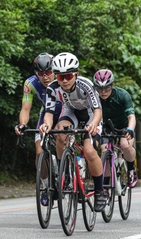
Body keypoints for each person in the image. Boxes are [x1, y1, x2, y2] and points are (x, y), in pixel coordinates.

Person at [39, 52, 106, 212]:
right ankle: (66, 171)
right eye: (60, 77)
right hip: (70, 111)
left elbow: (98, 111)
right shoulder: (52, 88)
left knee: (89, 151)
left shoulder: (86, 85)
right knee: (59, 133)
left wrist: (94, 124)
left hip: (90, 113)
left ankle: (99, 191)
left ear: (76, 74)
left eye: (68, 76)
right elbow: (48, 112)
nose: (65, 80)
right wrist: (46, 125)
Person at [15, 53, 62, 165]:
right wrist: (22, 124)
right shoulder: (30, 83)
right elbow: (25, 109)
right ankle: (45, 181)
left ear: (54, 71)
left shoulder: (63, 80)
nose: (45, 77)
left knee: (60, 136)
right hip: (46, 114)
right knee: (39, 152)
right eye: (41, 74)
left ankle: (67, 172)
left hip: (65, 113)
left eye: (49, 72)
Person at [94, 69, 138, 188]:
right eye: (99, 88)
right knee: (104, 150)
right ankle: (106, 184)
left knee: (125, 145)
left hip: (123, 125)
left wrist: (130, 129)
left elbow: (131, 116)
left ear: (112, 85)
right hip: (105, 126)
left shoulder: (122, 95)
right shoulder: (93, 96)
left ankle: (130, 170)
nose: (103, 92)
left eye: (107, 88)